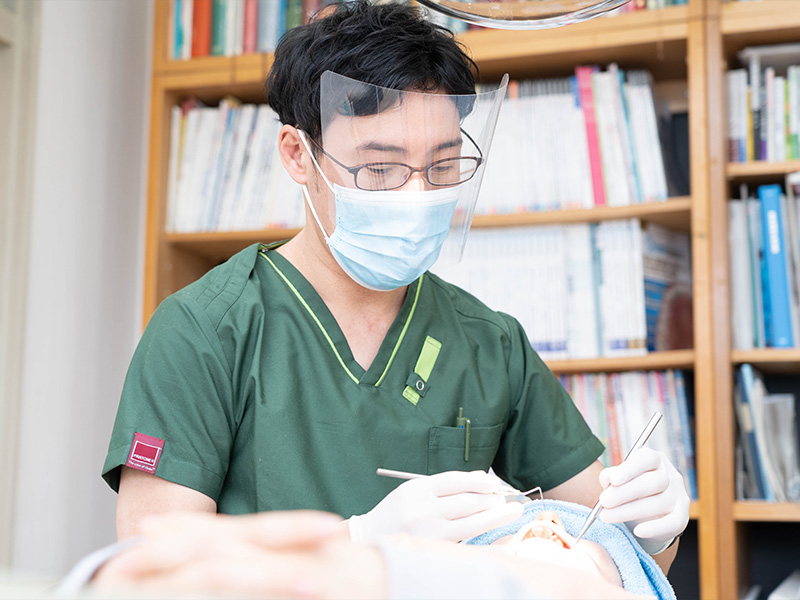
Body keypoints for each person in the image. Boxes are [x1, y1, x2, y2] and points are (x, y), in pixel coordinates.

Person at [102, 0, 688, 573]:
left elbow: (609, 553)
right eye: (379, 169)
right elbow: (152, 568)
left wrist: (653, 529)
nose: (415, 196)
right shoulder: (206, 331)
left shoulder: (489, 343)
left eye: (441, 166)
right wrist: (356, 542)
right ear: (298, 155)